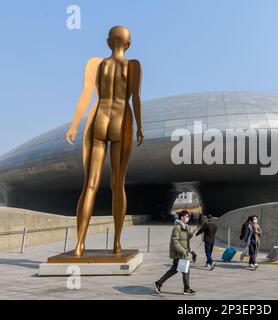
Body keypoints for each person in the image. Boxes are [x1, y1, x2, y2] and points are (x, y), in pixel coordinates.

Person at [66, 26, 144, 257]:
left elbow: (86, 94)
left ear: (108, 42)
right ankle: (117, 243)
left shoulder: (96, 64)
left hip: (99, 118)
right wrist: (140, 126)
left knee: (90, 185)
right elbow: (137, 97)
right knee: (117, 185)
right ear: (129, 44)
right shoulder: (133, 66)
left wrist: (74, 124)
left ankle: (80, 243)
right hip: (121, 119)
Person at [154, 210, 197, 295]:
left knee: (174, 270)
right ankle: (186, 289)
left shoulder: (186, 227)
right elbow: (175, 242)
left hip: (183, 253)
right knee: (185, 270)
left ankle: (158, 283)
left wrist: (191, 234)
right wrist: (183, 251)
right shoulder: (177, 228)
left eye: (188, 217)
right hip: (179, 254)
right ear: (182, 217)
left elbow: (185, 239)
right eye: (186, 217)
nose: (188, 218)